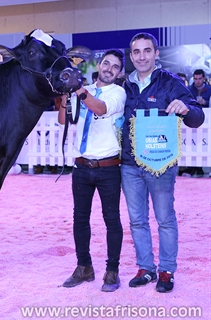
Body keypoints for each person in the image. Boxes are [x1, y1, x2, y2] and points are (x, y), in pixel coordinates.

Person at [121, 33, 204, 293]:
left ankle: (166, 270)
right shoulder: (125, 86)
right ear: (131, 55)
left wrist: (186, 107)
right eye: (137, 52)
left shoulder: (170, 82)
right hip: (129, 164)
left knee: (165, 218)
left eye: (147, 51)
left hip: (161, 164)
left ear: (156, 54)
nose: (142, 56)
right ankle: (146, 268)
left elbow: (197, 117)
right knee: (137, 220)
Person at [58, 49, 126, 292]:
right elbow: (64, 120)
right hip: (82, 166)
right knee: (80, 219)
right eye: (106, 63)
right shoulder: (83, 88)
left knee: (111, 220)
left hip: (108, 167)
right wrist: (67, 92)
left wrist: (78, 90)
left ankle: (112, 271)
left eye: (115, 66)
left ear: (120, 73)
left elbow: (99, 109)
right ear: (99, 64)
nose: (109, 68)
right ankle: (84, 267)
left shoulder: (118, 93)